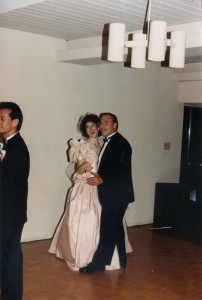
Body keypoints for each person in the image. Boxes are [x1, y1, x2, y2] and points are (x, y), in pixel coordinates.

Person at [48, 113, 132, 271]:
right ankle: (95, 258)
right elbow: (78, 168)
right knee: (99, 223)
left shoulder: (106, 142)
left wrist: (103, 179)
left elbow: (116, 168)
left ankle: (111, 259)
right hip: (88, 185)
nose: (92, 128)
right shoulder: (82, 145)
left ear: (114, 125)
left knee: (110, 224)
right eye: (88, 126)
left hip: (104, 187)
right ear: (84, 130)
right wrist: (84, 166)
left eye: (95, 125)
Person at [79, 112, 135, 274]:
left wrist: (102, 179)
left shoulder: (121, 143)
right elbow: (109, 166)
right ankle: (122, 260)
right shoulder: (108, 142)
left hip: (117, 194)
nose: (102, 125)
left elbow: (122, 169)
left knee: (107, 229)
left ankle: (98, 264)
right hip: (113, 193)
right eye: (101, 123)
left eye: (106, 123)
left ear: (115, 125)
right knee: (115, 227)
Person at [0, 102, 30, 300]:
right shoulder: (5, 143)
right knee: (3, 255)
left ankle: (13, 296)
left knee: (10, 256)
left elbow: (8, 184)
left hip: (10, 213)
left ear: (15, 122)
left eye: (2, 118)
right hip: (4, 211)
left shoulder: (18, 149)